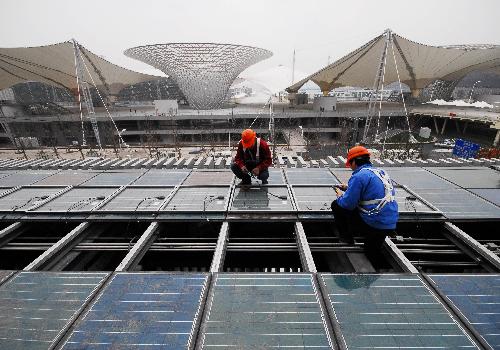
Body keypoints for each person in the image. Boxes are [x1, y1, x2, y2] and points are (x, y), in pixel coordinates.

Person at [331, 145, 398, 266]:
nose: (350, 167)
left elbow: (347, 205)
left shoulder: (359, 176)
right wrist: (349, 188)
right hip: (389, 222)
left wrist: (341, 195)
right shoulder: (381, 172)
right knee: (371, 251)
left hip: (373, 222)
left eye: (350, 163)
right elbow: (374, 193)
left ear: (355, 161)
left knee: (336, 205)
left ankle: (347, 238)